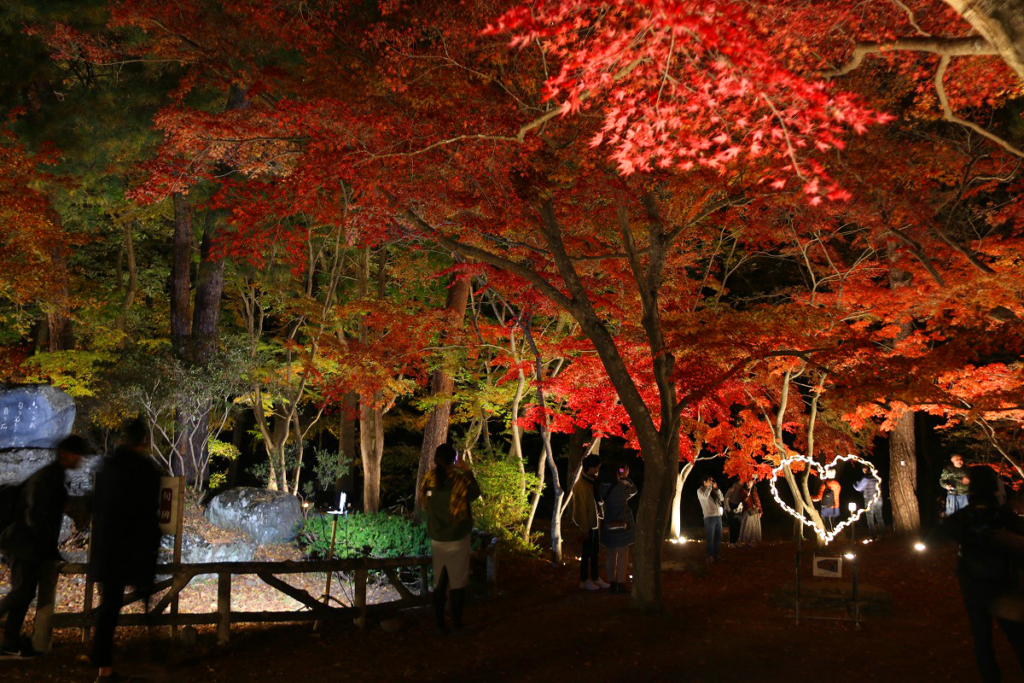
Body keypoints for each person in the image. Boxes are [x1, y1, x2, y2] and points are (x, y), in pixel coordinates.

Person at [0, 435, 88, 659]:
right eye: (78, 455)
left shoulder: (53, 476)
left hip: (25, 543)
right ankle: (9, 640)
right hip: (23, 543)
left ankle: (10, 641)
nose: (80, 460)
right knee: (21, 592)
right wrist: (46, 549)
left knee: (25, 592)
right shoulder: (49, 477)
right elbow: (37, 517)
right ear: (66, 454)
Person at [90, 420, 162, 683]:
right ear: (143, 440)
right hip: (133, 550)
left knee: (108, 608)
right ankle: (151, 657)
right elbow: (148, 518)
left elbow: (96, 507)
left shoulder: (107, 467)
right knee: (137, 603)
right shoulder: (146, 472)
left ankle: (104, 669)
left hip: (108, 549)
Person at [944, 466, 1024, 683]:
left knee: (982, 638)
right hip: (1003, 583)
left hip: (974, 583)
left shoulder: (961, 518)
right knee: (1017, 635)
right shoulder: (1004, 516)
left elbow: (948, 531)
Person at [419, 443, 481, 633]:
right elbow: (475, 494)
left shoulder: (429, 480)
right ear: (453, 461)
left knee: (440, 581)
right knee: (457, 582)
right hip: (457, 538)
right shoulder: (459, 481)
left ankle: (439, 622)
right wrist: (467, 470)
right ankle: (457, 622)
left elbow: (425, 501)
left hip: (437, 538)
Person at [598, 463, 636, 594]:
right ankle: (621, 583)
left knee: (610, 554)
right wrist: (625, 478)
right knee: (623, 555)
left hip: (608, 525)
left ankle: (611, 582)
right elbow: (633, 491)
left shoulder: (601, 488)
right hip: (622, 524)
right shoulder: (621, 487)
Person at [570, 454, 606, 590]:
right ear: (591, 467)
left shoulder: (592, 482)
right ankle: (584, 579)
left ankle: (595, 577)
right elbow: (580, 510)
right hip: (588, 525)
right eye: (597, 467)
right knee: (586, 553)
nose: (598, 469)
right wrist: (584, 529)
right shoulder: (581, 486)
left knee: (595, 551)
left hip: (594, 522)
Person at [697, 476, 725, 562]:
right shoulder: (700, 490)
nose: (711, 482)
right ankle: (709, 556)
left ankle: (717, 555)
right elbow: (705, 497)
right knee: (710, 538)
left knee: (718, 537)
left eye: (712, 480)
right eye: (710, 480)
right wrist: (709, 487)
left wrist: (717, 489)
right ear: (704, 482)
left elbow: (721, 499)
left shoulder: (712, 490)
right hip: (709, 517)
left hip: (718, 516)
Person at [852, 465, 884, 539]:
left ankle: (873, 535)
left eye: (863, 469)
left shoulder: (866, 478)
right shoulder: (877, 477)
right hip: (879, 499)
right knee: (879, 517)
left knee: (870, 518)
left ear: (865, 469)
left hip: (869, 501)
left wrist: (854, 483)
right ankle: (883, 535)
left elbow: (858, 488)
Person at [737, 479, 762, 547]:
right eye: (747, 482)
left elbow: (757, 500)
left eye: (750, 482)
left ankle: (753, 540)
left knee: (754, 525)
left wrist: (760, 510)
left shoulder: (754, 490)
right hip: (748, 510)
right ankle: (746, 540)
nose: (748, 483)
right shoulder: (743, 490)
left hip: (755, 510)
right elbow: (743, 501)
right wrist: (747, 496)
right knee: (747, 525)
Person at [724, 479, 746, 548]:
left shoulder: (742, 489)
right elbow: (726, 498)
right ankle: (731, 542)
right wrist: (729, 509)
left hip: (738, 507)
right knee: (732, 525)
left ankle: (735, 541)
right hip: (732, 506)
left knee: (738, 525)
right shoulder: (733, 488)